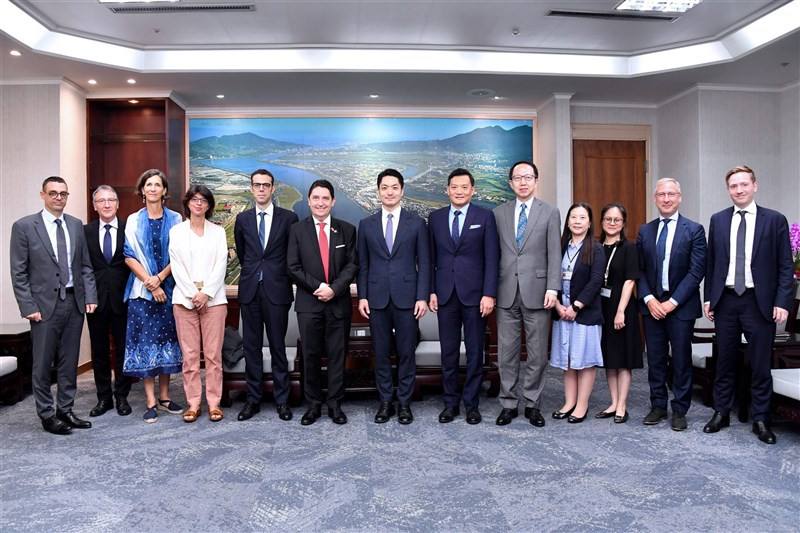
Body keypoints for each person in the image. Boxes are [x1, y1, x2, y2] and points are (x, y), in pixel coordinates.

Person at [703, 165, 794, 445]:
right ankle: (721, 412)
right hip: (727, 300)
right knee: (725, 360)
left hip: (760, 302)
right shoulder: (717, 220)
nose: (739, 190)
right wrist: (709, 297)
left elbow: (785, 266)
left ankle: (761, 419)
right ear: (728, 190)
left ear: (755, 185)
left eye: (743, 184)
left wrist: (782, 301)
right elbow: (712, 263)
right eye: (733, 186)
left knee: (759, 363)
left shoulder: (774, 220)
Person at [10, 176, 97, 435]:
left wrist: (90, 297)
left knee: (69, 361)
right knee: (42, 362)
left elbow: (84, 267)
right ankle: (47, 415)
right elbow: (19, 272)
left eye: (63, 193)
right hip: (43, 306)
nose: (59, 197)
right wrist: (28, 306)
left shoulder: (75, 225)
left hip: (73, 302)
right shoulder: (24, 226)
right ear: (43, 195)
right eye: (53, 193)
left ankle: (66, 410)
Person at [357, 169, 430, 424]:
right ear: (378, 192)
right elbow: (363, 265)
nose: (389, 192)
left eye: (394, 187)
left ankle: (404, 404)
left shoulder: (417, 223)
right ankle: (385, 401)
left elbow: (425, 262)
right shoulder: (366, 225)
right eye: (384, 187)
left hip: (408, 298)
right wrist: (363, 296)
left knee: (406, 352)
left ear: (402, 191)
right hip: (376, 299)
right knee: (381, 352)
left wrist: (422, 297)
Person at [428, 168, 499, 424]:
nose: (459, 191)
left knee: (474, 351)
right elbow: (430, 259)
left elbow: (492, 258)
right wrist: (431, 291)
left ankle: (471, 404)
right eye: (454, 187)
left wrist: (489, 293)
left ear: (472, 190)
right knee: (448, 352)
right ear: (447, 190)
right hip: (445, 294)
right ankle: (450, 404)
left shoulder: (485, 216)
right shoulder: (434, 218)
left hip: (475, 296)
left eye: (464, 187)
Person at [493, 161, 560, 427]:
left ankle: (533, 404)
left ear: (536, 180)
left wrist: (553, 287)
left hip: (539, 291)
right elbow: (493, 254)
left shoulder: (550, 212)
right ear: (510, 183)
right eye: (518, 178)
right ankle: (508, 403)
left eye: (528, 177)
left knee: (537, 353)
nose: (523, 182)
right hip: (505, 291)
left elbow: (554, 252)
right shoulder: (498, 213)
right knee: (506, 353)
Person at [636, 178, 706, 431]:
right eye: (661, 194)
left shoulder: (694, 230)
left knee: (681, 358)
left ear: (680, 197)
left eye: (671, 194)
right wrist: (649, 299)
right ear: (655, 198)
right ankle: (657, 405)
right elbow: (639, 270)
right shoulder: (645, 230)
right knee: (654, 358)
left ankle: (680, 409)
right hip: (651, 306)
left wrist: (672, 302)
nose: (666, 199)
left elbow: (696, 272)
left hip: (681, 307)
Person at [287, 179, 358, 426]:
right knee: (310, 356)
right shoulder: (297, 230)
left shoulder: (347, 230)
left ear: (333, 201)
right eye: (315, 198)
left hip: (338, 304)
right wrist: (319, 288)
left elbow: (352, 266)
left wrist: (335, 289)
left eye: (325, 198)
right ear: (309, 201)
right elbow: (292, 267)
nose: (320, 203)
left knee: (338, 356)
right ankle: (314, 405)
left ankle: (335, 405)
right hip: (309, 304)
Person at [234, 169, 298, 422]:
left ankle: (282, 401)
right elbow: (243, 253)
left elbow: (291, 254)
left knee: (278, 347)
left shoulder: (289, 218)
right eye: (257, 185)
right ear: (251, 188)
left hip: (277, 291)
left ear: (273, 189)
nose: (261, 189)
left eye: (266, 185)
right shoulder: (242, 219)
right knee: (251, 348)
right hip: (250, 291)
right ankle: (253, 399)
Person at [123, 169, 184, 423]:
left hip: (169, 291)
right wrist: (150, 282)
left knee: (166, 344)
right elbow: (128, 254)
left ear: (164, 191)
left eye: (157, 185)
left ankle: (165, 396)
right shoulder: (132, 220)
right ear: (142, 190)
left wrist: (160, 279)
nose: (152, 189)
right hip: (141, 292)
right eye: (148, 184)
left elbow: (179, 254)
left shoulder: (177, 218)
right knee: (146, 345)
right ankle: (150, 401)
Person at [169, 185, 229, 423]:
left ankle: (214, 403)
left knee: (214, 356)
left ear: (209, 205)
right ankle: (193, 404)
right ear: (188, 203)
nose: (199, 204)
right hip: (184, 301)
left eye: (203, 200)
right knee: (190, 357)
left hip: (214, 302)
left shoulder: (218, 232)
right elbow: (177, 266)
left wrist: (206, 294)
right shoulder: (177, 232)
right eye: (194, 200)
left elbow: (221, 264)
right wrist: (194, 293)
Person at [550, 203, 605, 424]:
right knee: (568, 360)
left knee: (585, 361)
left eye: (582, 217)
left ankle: (581, 405)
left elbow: (596, 281)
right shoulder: (561, 246)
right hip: (561, 310)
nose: (577, 221)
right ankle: (569, 402)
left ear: (589, 223)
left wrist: (576, 306)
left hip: (584, 313)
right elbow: (552, 275)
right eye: (573, 217)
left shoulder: (596, 248)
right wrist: (558, 306)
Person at [84, 185, 132, 417]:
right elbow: (82, 268)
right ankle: (104, 398)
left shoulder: (128, 228)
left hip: (124, 299)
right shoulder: (86, 232)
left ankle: (122, 396)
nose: (106, 204)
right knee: (100, 351)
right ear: (94, 206)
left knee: (123, 349)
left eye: (111, 199)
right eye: (101, 201)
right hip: (95, 302)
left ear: (117, 203)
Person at [595, 203, 642, 424]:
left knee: (623, 359)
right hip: (601, 309)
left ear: (623, 223)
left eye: (617, 220)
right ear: (602, 221)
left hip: (622, 309)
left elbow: (630, 281)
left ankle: (622, 405)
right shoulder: (595, 247)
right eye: (608, 219)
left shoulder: (629, 248)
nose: (612, 224)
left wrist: (620, 311)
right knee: (610, 359)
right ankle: (613, 402)